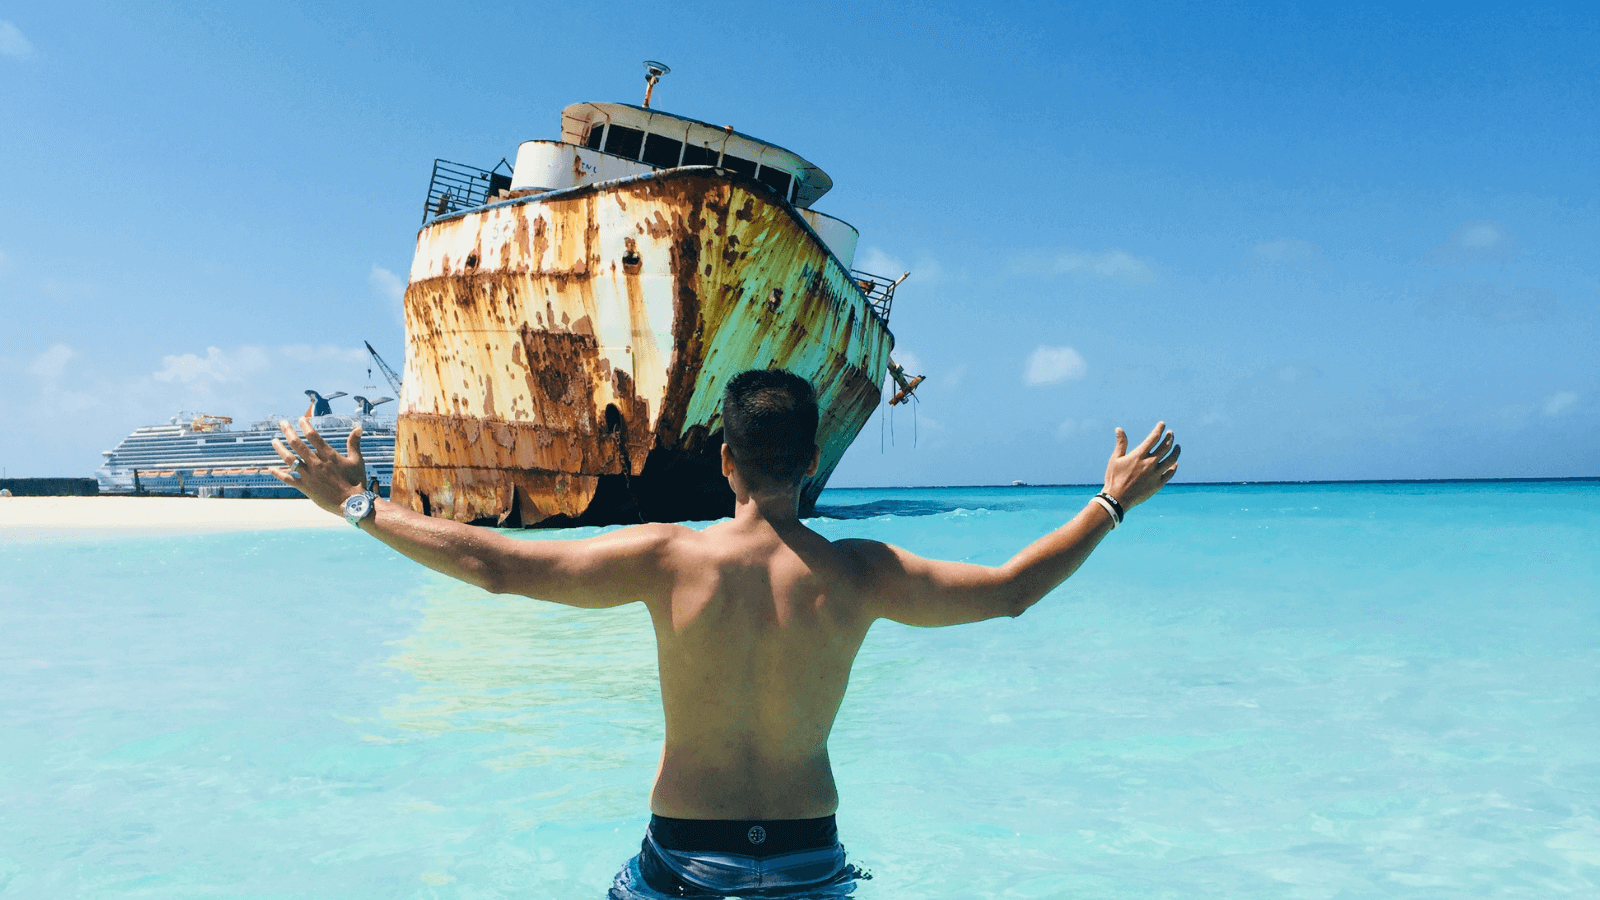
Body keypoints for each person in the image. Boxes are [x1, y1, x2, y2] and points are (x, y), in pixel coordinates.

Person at [270, 369, 1180, 897]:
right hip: (807, 859)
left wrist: (356, 504)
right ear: (813, 461)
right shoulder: (860, 572)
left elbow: (496, 565)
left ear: (724, 459)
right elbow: (1014, 590)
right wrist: (1110, 502)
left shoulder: (670, 559)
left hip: (681, 862)